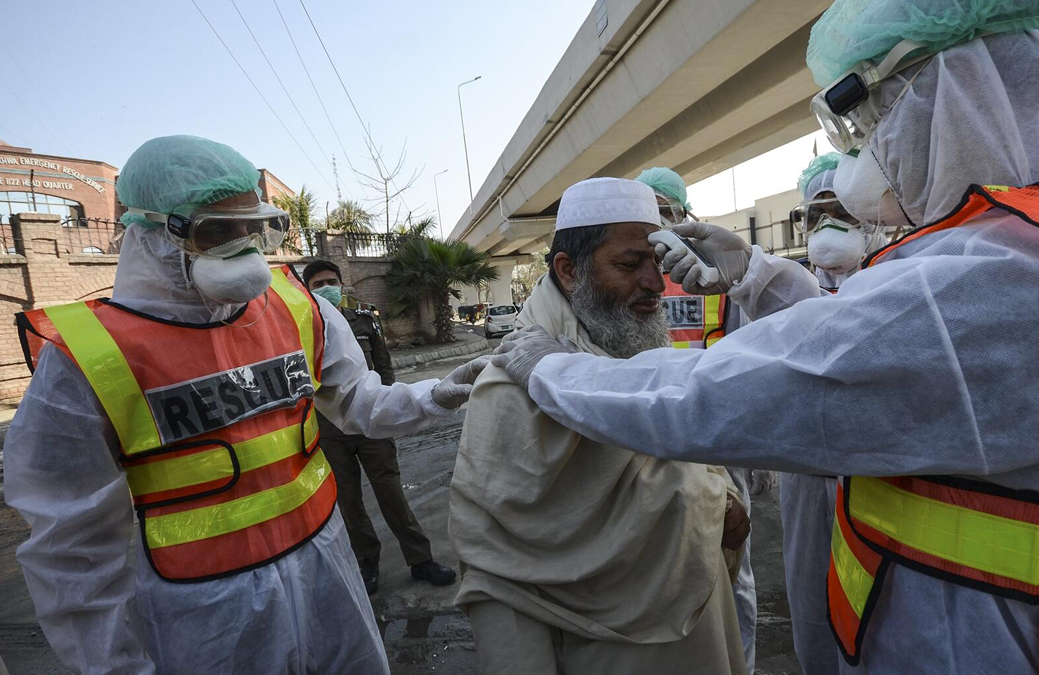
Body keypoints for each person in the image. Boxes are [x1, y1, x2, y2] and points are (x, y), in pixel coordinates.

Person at [492, 2, 1039, 673]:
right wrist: (758, 272)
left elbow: (740, 388)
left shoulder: (1001, 276)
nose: (870, 150)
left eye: (875, 118)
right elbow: (875, 342)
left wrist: (555, 371)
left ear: (954, 91)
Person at [4, 135, 489, 674]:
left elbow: (360, 403)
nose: (243, 249)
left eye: (252, 228)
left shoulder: (298, 309)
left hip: (325, 570)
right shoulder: (88, 357)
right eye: (217, 231)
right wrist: (114, 665)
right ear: (151, 233)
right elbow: (71, 547)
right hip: (203, 610)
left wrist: (439, 392)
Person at [449, 177, 750, 675]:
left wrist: (725, 501)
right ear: (569, 271)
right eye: (631, 265)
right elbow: (498, 572)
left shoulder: (638, 345)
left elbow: (686, 459)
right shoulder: (510, 387)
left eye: (657, 262)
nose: (656, 284)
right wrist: (708, 503)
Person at [636, 165, 764, 675]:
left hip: (717, 435)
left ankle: (741, 663)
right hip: (654, 436)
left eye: (663, 209)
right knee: (668, 564)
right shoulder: (633, 274)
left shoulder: (713, 270)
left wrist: (753, 442)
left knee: (733, 564)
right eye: (646, 210)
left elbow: (751, 353)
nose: (656, 220)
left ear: (683, 213)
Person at [302, 259, 457, 592]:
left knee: (391, 492)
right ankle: (367, 562)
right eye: (318, 284)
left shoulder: (364, 321)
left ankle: (421, 559)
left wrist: (384, 410)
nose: (326, 288)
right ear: (307, 291)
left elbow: (384, 369)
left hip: (371, 422)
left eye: (331, 281)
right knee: (348, 500)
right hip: (330, 429)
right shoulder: (304, 329)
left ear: (342, 285)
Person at [798, 153, 893, 291]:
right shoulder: (812, 289)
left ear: (872, 217)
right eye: (815, 216)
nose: (827, 228)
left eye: (843, 212)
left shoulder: (903, 279)